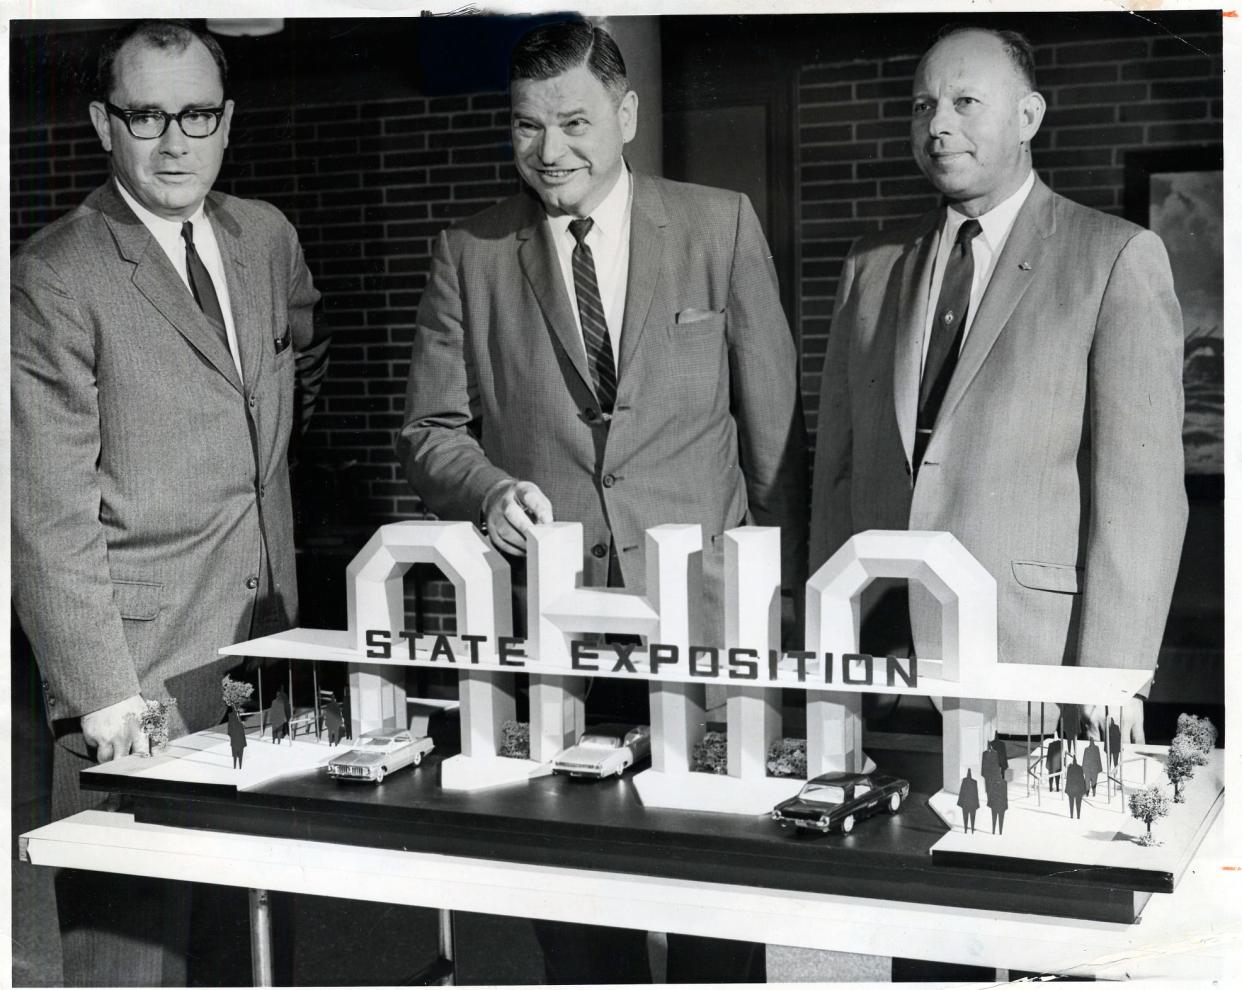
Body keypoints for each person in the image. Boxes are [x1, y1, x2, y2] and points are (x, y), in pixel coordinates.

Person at [396, 18, 806, 985]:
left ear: (626, 114)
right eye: (526, 127)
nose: (551, 152)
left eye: (574, 122)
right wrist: (488, 489)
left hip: (708, 629)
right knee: (578, 913)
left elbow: (778, 438)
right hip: (555, 634)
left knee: (717, 902)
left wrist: (776, 607)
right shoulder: (471, 251)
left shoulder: (721, 224)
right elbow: (429, 432)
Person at [11, 20, 329, 985]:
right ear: (105, 123)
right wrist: (99, 693)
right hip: (135, 681)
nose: (174, 140)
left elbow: (294, 379)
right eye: (147, 116)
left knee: (249, 951)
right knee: (130, 961)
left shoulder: (264, 237)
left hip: (263, 662)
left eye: (196, 113)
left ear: (226, 121)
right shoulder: (52, 277)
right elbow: (43, 509)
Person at [808, 24, 1187, 743]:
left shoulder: (1114, 260)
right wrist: (832, 653)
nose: (939, 125)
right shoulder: (873, 265)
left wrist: (1109, 688)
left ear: (1028, 117)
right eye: (922, 107)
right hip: (882, 675)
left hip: (1030, 669)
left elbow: (1142, 505)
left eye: (964, 101)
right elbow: (838, 473)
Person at [956, 769, 979, 833]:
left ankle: (966, 829)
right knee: (972, 817)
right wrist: (977, 804)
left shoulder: (964, 780)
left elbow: (961, 792)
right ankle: (972, 830)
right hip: (972, 803)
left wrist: (960, 802)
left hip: (965, 803)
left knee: (965, 817)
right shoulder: (974, 782)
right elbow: (976, 794)